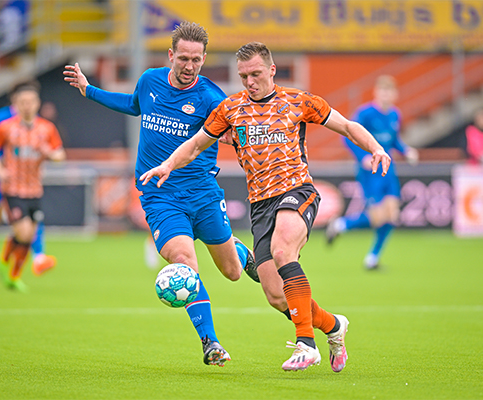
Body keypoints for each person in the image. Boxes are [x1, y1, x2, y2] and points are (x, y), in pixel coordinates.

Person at [139, 42, 391, 372]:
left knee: (284, 250)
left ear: (272, 70)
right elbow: (197, 143)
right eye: (244, 76)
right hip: (260, 205)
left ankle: (306, 344)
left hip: (297, 191)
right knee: (276, 295)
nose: (250, 82)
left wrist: (376, 147)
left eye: (256, 74)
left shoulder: (298, 102)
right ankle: (333, 326)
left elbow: (346, 125)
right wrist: (168, 165)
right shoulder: (230, 109)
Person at [63, 21, 259, 367]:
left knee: (230, 271)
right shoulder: (150, 81)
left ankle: (239, 252)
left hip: (202, 194)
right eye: (183, 58)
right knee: (185, 263)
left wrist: (237, 139)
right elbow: (133, 104)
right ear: (171, 55)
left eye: (196, 60)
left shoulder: (212, 98)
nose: (189, 66)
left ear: (203, 58)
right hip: (159, 196)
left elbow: (240, 134)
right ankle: (210, 343)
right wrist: (88, 90)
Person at [325, 75, 418, 269]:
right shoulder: (365, 113)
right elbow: (348, 135)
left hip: (388, 170)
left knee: (392, 215)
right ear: (376, 92)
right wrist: (362, 157)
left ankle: (372, 258)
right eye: (382, 91)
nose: (386, 95)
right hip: (370, 171)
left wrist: (406, 150)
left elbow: (393, 141)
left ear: (395, 94)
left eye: (389, 91)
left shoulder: (395, 115)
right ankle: (341, 225)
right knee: (377, 216)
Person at [0, 81, 66, 291]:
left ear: (37, 103)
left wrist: (50, 154)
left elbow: (60, 155)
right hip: (12, 189)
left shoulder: (46, 129)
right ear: (16, 104)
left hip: (35, 189)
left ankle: (13, 275)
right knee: (24, 233)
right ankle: (5, 263)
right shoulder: (6, 127)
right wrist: (1, 171)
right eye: (22, 102)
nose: (27, 105)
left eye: (30, 101)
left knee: (28, 235)